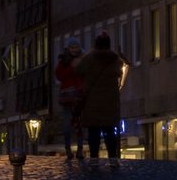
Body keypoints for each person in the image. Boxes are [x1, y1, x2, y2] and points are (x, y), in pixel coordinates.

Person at [76, 33, 127, 166]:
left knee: (94, 131)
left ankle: (94, 158)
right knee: (110, 131)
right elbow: (120, 72)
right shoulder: (115, 59)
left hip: (92, 102)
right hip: (110, 101)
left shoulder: (89, 59)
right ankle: (112, 158)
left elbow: (78, 70)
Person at [54, 40, 85, 161]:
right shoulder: (63, 61)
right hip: (67, 98)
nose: (74, 49)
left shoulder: (83, 59)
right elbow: (59, 75)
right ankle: (68, 149)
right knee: (67, 125)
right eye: (72, 47)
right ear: (68, 48)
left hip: (79, 96)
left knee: (80, 124)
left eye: (76, 47)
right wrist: (72, 68)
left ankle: (80, 149)